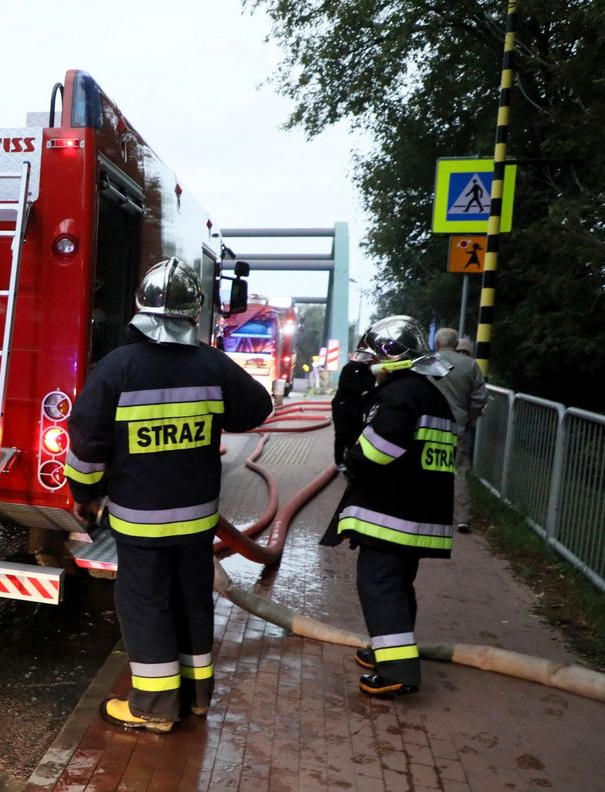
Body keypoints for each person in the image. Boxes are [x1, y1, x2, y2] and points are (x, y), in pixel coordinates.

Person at [65, 258, 274, 733]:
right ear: (191, 312)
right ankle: (196, 697)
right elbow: (257, 407)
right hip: (198, 519)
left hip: (141, 519)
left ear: (141, 308)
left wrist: (86, 491)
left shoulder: (117, 367)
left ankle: (155, 707)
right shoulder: (210, 363)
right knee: (192, 599)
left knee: (146, 602)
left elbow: (85, 440)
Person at [320, 315, 457, 697]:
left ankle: (397, 669)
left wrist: (350, 406)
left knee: (378, 584)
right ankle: (388, 649)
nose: (366, 368)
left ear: (390, 358)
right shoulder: (430, 395)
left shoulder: (398, 397)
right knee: (396, 585)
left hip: (393, 512)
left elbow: (372, 454)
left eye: (369, 360)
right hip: (420, 512)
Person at [431, 328, 487, 532]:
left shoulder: (427, 363)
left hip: (429, 424)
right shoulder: (470, 365)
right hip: (458, 425)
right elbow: (480, 398)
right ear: (456, 344)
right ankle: (462, 517)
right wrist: (467, 416)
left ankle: (429, 510)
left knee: (427, 464)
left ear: (437, 344)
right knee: (459, 469)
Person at [330, 349, 376, 469]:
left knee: (354, 436)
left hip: (357, 410)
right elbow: (344, 385)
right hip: (342, 407)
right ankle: (339, 461)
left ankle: (350, 461)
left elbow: (371, 386)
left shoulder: (369, 372)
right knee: (341, 434)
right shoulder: (349, 368)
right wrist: (360, 391)